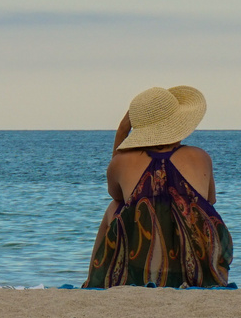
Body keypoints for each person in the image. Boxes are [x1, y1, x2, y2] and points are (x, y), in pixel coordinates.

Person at [83, 85, 232, 288]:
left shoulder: (122, 162)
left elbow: (116, 193)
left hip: (142, 261)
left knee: (114, 207)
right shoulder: (200, 156)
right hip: (198, 262)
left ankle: (93, 279)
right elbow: (211, 201)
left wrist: (121, 133)